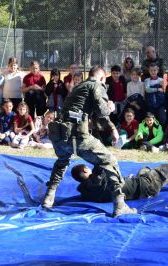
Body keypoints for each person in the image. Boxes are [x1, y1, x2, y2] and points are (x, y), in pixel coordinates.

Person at [43, 65, 137, 217]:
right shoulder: (96, 86)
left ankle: (49, 197)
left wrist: (111, 128)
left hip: (59, 134)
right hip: (77, 134)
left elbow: (91, 116)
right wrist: (111, 108)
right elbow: (102, 111)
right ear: (101, 77)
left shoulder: (78, 87)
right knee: (109, 160)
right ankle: (120, 204)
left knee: (62, 161)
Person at [71, 162, 168, 203]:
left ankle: (166, 177)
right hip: (147, 185)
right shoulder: (97, 177)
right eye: (88, 168)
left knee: (145, 169)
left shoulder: (85, 192)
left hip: (140, 187)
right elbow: (100, 160)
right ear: (85, 171)